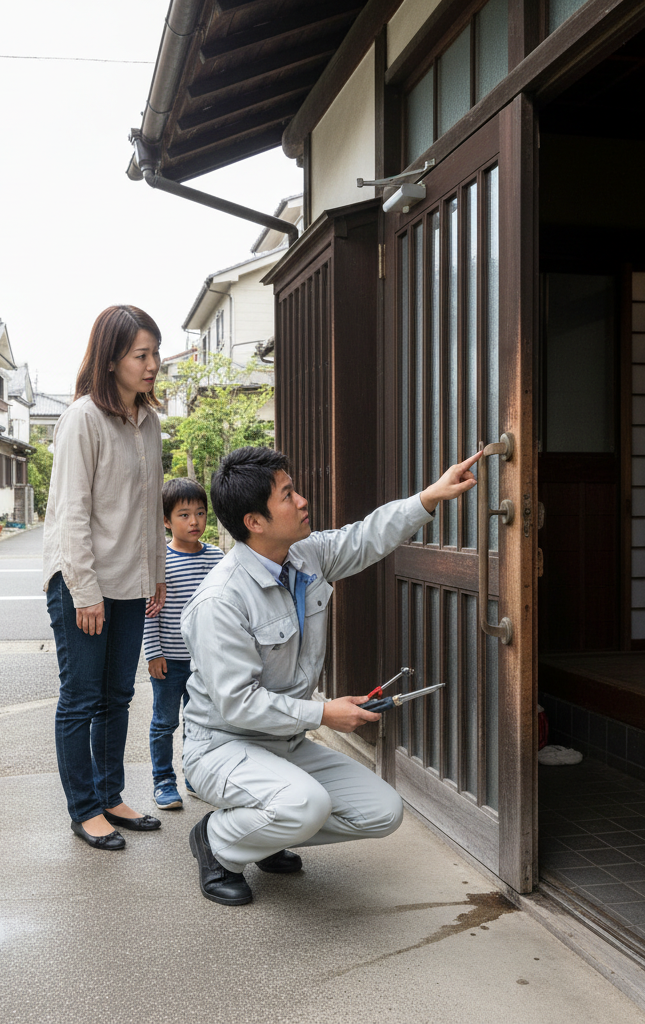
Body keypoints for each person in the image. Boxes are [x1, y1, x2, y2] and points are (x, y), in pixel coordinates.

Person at [181, 444, 483, 904]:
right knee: (306, 804)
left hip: (283, 743)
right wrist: (323, 713)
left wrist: (431, 497)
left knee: (382, 811)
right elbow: (238, 703)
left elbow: (365, 537)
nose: (302, 500)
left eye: (294, 489)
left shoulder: (304, 556)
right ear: (254, 522)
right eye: (287, 495)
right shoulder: (220, 601)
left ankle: (263, 835)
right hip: (223, 746)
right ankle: (219, 842)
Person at [42, 304, 167, 852]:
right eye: (142, 354)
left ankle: (111, 794)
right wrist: (84, 592)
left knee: (118, 695)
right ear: (111, 357)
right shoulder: (83, 418)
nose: (153, 364)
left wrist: (156, 573)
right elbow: (73, 512)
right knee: (82, 697)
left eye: (155, 353)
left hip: (131, 582)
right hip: (82, 584)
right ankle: (84, 809)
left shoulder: (149, 422)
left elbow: (147, 509)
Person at [143, 478, 223, 811]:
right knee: (165, 722)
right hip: (169, 661)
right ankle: (163, 781)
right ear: (166, 520)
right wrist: (154, 652)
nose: (194, 522)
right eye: (184, 514)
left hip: (204, 661)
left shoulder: (217, 557)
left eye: (201, 513)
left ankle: (195, 775)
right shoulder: (158, 560)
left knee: (199, 721)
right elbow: (148, 612)